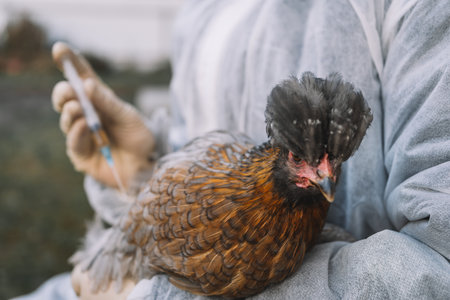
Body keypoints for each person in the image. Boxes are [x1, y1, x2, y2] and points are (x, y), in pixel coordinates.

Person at [17, 0, 450, 299]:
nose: (325, 176)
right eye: (304, 159)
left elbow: (437, 268)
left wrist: (152, 295)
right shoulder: (205, 11)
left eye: (330, 165)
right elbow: (181, 212)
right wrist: (142, 168)